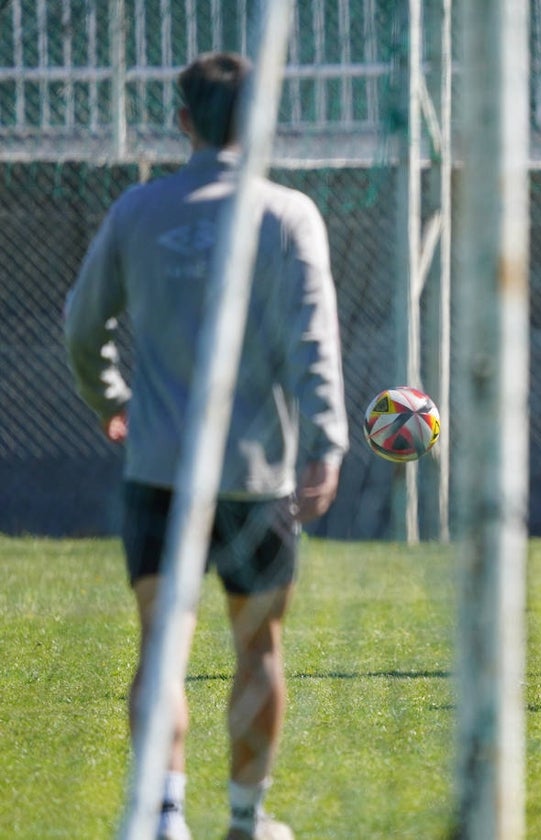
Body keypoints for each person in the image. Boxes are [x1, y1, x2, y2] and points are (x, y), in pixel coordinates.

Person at [63, 52, 348, 840]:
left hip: (159, 471)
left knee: (162, 646)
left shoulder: (137, 211)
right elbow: (313, 343)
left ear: (182, 120)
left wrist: (110, 398)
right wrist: (326, 445)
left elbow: (82, 328)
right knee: (258, 649)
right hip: (257, 479)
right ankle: (246, 820)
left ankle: (159, 817)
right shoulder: (288, 214)